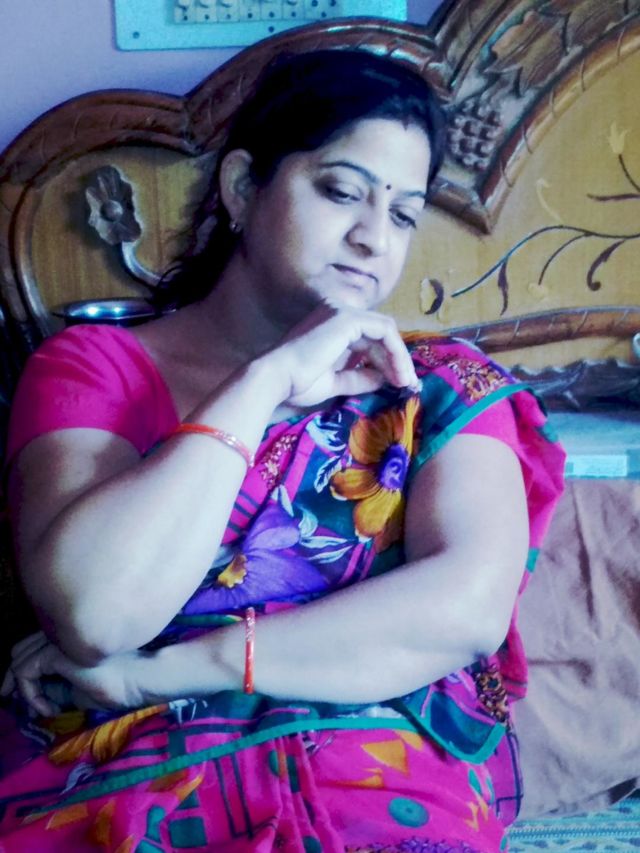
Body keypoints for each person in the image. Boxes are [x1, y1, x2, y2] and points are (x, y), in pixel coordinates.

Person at [0, 49, 564, 852]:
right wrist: (265, 383)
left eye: (403, 214)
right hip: (123, 778)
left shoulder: (436, 388)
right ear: (242, 188)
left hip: (378, 782)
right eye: (341, 191)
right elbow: (96, 613)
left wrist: (172, 669)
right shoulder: (96, 369)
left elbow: (466, 608)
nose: (373, 238)